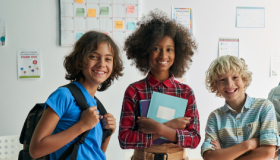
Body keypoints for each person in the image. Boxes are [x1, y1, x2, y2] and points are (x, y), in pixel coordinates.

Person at [119, 9, 200, 160]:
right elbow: (124, 139)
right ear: (145, 51)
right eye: (156, 49)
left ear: (177, 53)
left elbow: (194, 139)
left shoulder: (186, 92)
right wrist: (171, 127)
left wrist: (159, 128)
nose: (163, 55)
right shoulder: (134, 91)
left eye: (169, 49)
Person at [29, 31, 124, 159]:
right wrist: (82, 125)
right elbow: (36, 150)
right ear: (80, 59)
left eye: (108, 59)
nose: (102, 64)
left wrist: (108, 132)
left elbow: (94, 152)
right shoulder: (63, 95)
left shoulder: (97, 105)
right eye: (94, 56)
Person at [201, 55, 280, 160]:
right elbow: (209, 157)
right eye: (222, 80)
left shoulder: (264, 107)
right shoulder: (215, 117)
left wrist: (224, 155)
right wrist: (248, 144)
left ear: (244, 80)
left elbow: (268, 153)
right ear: (216, 86)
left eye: (235, 77)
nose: (229, 84)